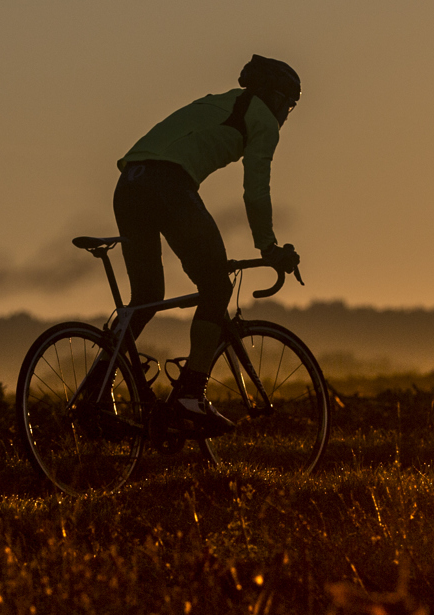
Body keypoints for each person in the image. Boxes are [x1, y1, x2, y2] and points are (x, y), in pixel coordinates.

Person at [113, 55, 303, 438]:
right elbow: (256, 189)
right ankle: (191, 393)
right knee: (216, 285)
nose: (288, 114)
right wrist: (268, 247)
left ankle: (98, 391)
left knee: (147, 296)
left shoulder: (221, 100)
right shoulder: (263, 118)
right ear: (277, 97)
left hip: (129, 183)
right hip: (168, 184)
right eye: (291, 104)